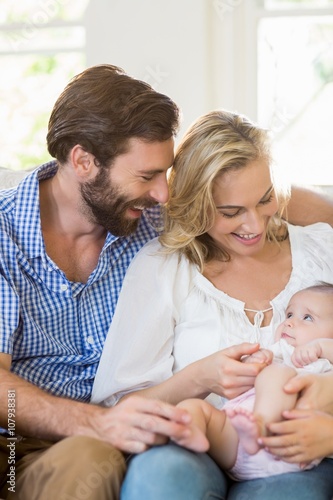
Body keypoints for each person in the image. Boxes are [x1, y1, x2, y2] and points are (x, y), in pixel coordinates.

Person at [92, 109, 333, 499]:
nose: (254, 224)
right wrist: (199, 378)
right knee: (163, 479)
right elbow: (119, 411)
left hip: (294, 456)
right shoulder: (163, 267)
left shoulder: (323, 251)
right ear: (196, 204)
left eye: (265, 199)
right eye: (231, 212)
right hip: (197, 444)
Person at [0, 63, 194, 500]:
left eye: (165, 172)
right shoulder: (3, 232)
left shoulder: (153, 220)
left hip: (77, 452)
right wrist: (95, 422)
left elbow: (256, 198)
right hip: (12, 436)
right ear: (83, 161)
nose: (163, 193)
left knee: (89, 459)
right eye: (147, 176)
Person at [172, 284, 333, 481]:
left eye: (307, 317)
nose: (289, 323)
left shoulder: (323, 362)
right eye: (289, 315)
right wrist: (254, 363)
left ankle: (261, 425)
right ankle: (188, 439)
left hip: (286, 444)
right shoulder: (279, 353)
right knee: (194, 408)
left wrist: (321, 347)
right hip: (235, 445)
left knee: (279, 372)